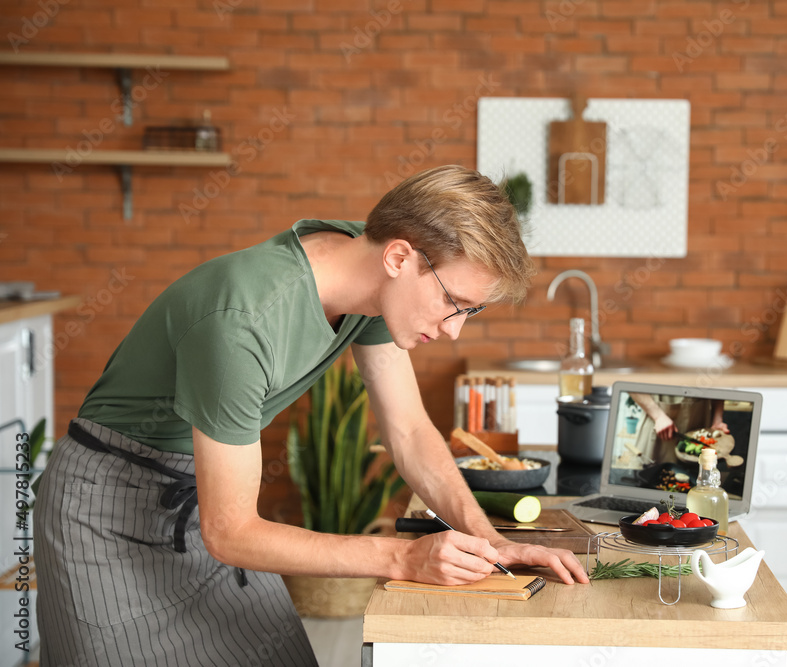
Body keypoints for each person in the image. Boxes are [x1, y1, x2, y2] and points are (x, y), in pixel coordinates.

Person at [34, 165, 589, 666]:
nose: (453, 329)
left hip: (203, 493)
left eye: (470, 311)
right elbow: (229, 532)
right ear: (400, 258)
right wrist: (403, 558)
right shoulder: (241, 322)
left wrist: (489, 542)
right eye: (452, 302)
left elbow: (409, 431)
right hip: (107, 510)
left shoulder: (373, 278)